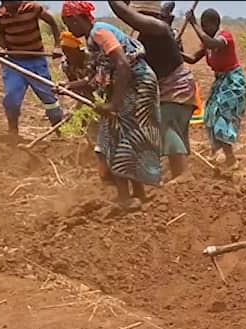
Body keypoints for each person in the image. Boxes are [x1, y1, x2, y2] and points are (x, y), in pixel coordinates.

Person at [61, 0, 162, 210]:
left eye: (68, 23)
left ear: (77, 18)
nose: (69, 29)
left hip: (136, 85)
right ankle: (137, 194)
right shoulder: (93, 38)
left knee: (119, 137)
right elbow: (97, 76)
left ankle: (126, 197)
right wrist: (67, 86)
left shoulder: (99, 33)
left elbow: (123, 66)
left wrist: (113, 105)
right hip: (128, 86)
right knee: (121, 136)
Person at [109, 0, 197, 184]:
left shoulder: (158, 27)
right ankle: (179, 171)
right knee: (172, 126)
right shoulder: (146, 35)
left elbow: (126, 15)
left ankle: (183, 173)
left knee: (167, 123)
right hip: (171, 85)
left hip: (175, 85)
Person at [183, 8, 246, 167]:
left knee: (222, 114)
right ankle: (216, 151)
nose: (204, 30)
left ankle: (230, 158)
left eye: (206, 26)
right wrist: (174, 50)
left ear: (215, 24)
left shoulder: (225, 37)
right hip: (220, 81)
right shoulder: (208, 42)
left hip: (233, 82)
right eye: (203, 26)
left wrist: (194, 24)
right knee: (210, 114)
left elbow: (210, 42)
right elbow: (192, 59)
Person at [0, 0, 64, 137]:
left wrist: (57, 46)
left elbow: (53, 23)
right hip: (14, 63)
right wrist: (1, 47)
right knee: (11, 98)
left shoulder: (32, 8)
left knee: (49, 98)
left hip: (36, 61)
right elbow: (2, 33)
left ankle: (60, 132)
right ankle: (13, 132)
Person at [161, 1, 204, 126]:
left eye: (163, 17)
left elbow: (183, 58)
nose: (161, 19)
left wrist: (174, 47)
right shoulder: (156, 32)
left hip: (173, 83)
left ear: (170, 18)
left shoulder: (173, 34)